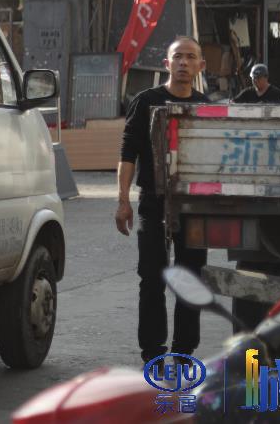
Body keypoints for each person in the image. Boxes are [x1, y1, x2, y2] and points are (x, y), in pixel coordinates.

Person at [115, 36, 211, 363]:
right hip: (153, 202)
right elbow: (128, 153)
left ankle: (184, 352)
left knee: (191, 277)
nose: (184, 62)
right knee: (151, 278)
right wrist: (123, 200)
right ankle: (153, 352)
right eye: (178, 57)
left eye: (191, 57)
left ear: (201, 66)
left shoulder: (207, 108)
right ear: (167, 64)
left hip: (194, 206)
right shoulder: (145, 102)